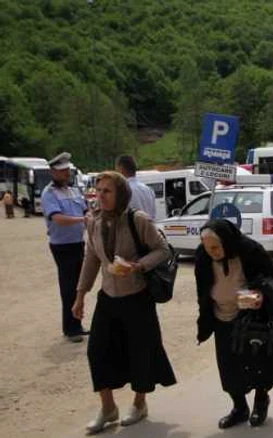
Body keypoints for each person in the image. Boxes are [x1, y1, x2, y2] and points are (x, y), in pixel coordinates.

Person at [72, 171, 176, 434]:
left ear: (120, 193)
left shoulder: (137, 219)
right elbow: (92, 259)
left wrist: (139, 266)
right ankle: (108, 408)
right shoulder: (94, 222)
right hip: (108, 297)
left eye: (107, 191)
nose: (100, 196)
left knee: (141, 352)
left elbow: (162, 250)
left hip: (137, 296)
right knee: (96, 351)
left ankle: (139, 403)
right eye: (98, 190)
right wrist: (80, 295)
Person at [195, 219, 273, 429]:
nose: (212, 252)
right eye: (208, 248)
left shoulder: (248, 249)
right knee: (228, 366)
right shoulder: (203, 256)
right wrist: (205, 319)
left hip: (249, 318)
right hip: (221, 318)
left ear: (227, 241)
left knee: (257, 364)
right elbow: (202, 289)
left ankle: (260, 401)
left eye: (216, 247)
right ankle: (239, 408)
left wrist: (258, 292)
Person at [41, 152, 90, 343]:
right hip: (62, 245)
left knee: (79, 286)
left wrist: (90, 216)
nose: (67, 174)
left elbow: (85, 209)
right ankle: (71, 328)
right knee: (69, 286)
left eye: (68, 171)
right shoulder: (49, 194)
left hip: (77, 242)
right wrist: (82, 219)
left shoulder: (74, 190)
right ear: (53, 172)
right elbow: (57, 218)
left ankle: (77, 324)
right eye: (63, 172)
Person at [116, 155, 157, 220]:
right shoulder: (148, 189)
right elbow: (153, 215)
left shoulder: (123, 191)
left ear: (121, 169)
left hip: (132, 229)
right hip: (148, 227)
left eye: (117, 169)